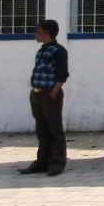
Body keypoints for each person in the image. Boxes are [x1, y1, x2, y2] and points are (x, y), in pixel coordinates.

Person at [18, 19, 70, 176]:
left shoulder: (59, 51)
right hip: (37, 94)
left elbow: (62, 75)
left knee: (55, 129)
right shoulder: (41, 51)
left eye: (38, 31)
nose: (36, 34)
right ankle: (42, 162)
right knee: (42, 130)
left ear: (47, 33)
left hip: (49, 95)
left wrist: (53, 93)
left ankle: (57, 163)